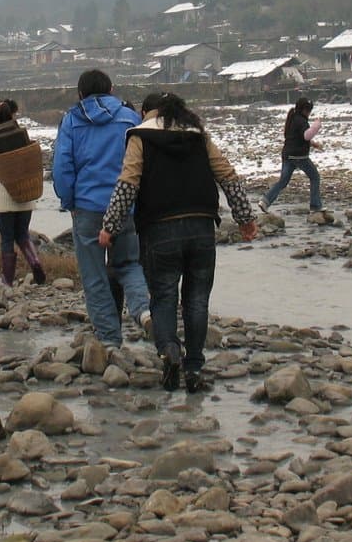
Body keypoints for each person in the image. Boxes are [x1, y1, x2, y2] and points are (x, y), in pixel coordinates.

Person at [99, 92, 257, 393]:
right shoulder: (198, 136)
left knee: (164, 297)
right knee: (197, 299)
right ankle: (195, 368)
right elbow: (228, 176)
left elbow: (127, 183)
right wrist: (244, 218)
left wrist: (110, 225)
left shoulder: (140, 136)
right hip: (201, 226)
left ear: (147, 112)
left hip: (159, 229)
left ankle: (169, 350)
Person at [52, 69, 152, 347]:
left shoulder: (72, 120)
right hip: (126, 207)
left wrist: (68, 200)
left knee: (94, 275)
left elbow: (62, 167)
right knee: (129, 265)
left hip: (87, 207)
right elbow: (143, 163)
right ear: (111, 90)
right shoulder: (130, 118)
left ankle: (109, 341)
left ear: (80, 94)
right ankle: (143, 311)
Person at [0, 98, 46, 287]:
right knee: (22, 233)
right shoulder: (22, 135)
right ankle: (35, 262)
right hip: (26, 192)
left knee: (7, 238)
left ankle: (7, 281)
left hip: (4, 194)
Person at [260, 98, 322, 212]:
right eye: (309, 110)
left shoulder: (293, 118)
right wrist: (316, 126)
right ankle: (316, 206)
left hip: (287, 155)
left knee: (283, 182)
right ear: (304, 109)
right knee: (315, 177)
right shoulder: (301, 120)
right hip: (299, 156)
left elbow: (297, 137)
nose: (309, 113)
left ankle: (265, 201)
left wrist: (313, 144)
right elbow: (307, 136)